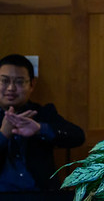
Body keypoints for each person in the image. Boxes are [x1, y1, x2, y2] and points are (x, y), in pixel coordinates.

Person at [0, 54, 85, 193]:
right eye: (4, 81)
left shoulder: (43, 113)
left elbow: (78, 136)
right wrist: (3, 134)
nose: (11, 88)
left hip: (42, 194)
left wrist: (41, 129)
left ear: (32, 84)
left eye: (19, 82)